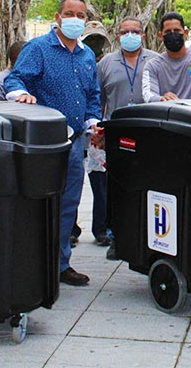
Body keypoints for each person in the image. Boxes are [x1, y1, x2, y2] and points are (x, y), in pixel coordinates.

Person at [4, 0, 101, 287]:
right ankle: (33, 265)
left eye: (81, 15)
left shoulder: (86, 55)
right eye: (69, 13)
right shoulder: (38, 49)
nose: (75, 19)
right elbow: (14, 79)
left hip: (75, 141)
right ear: (58, 18)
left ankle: (60, 264)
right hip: (44, 143)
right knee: (39, 202)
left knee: (68, 205)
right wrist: (20, 94)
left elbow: (92, 95)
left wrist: (93, 122)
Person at [97, 16, 159, 260]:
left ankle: (147, 236)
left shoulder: (155, 60)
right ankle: (116, 237)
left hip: (148, 132)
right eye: (125, 32)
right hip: (117, 133)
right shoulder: (106, 64)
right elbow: (98, 99)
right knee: (116, 187)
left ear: (143, 35)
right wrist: (98, 131)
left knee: (148, 184)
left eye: (135, 31)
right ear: (118, 35)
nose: (130, 36)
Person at [70, 20, 111, 248]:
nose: (94, 44)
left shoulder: (103, 64)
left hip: (96, 134)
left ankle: (101, 229)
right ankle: (71, 229)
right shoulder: (75, 61)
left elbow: (100, 98)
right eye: (90, 39)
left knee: (100, 186)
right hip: (75, 133)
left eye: (98, 40)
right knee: (72, 186)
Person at [142, 11, 191, 102]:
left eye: (177, 31)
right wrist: (161, 99)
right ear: (160, 36)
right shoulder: (152, 66)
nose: (173, 35)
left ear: (185, 33)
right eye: (168, 32)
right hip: (168, 113)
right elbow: (148, 94)